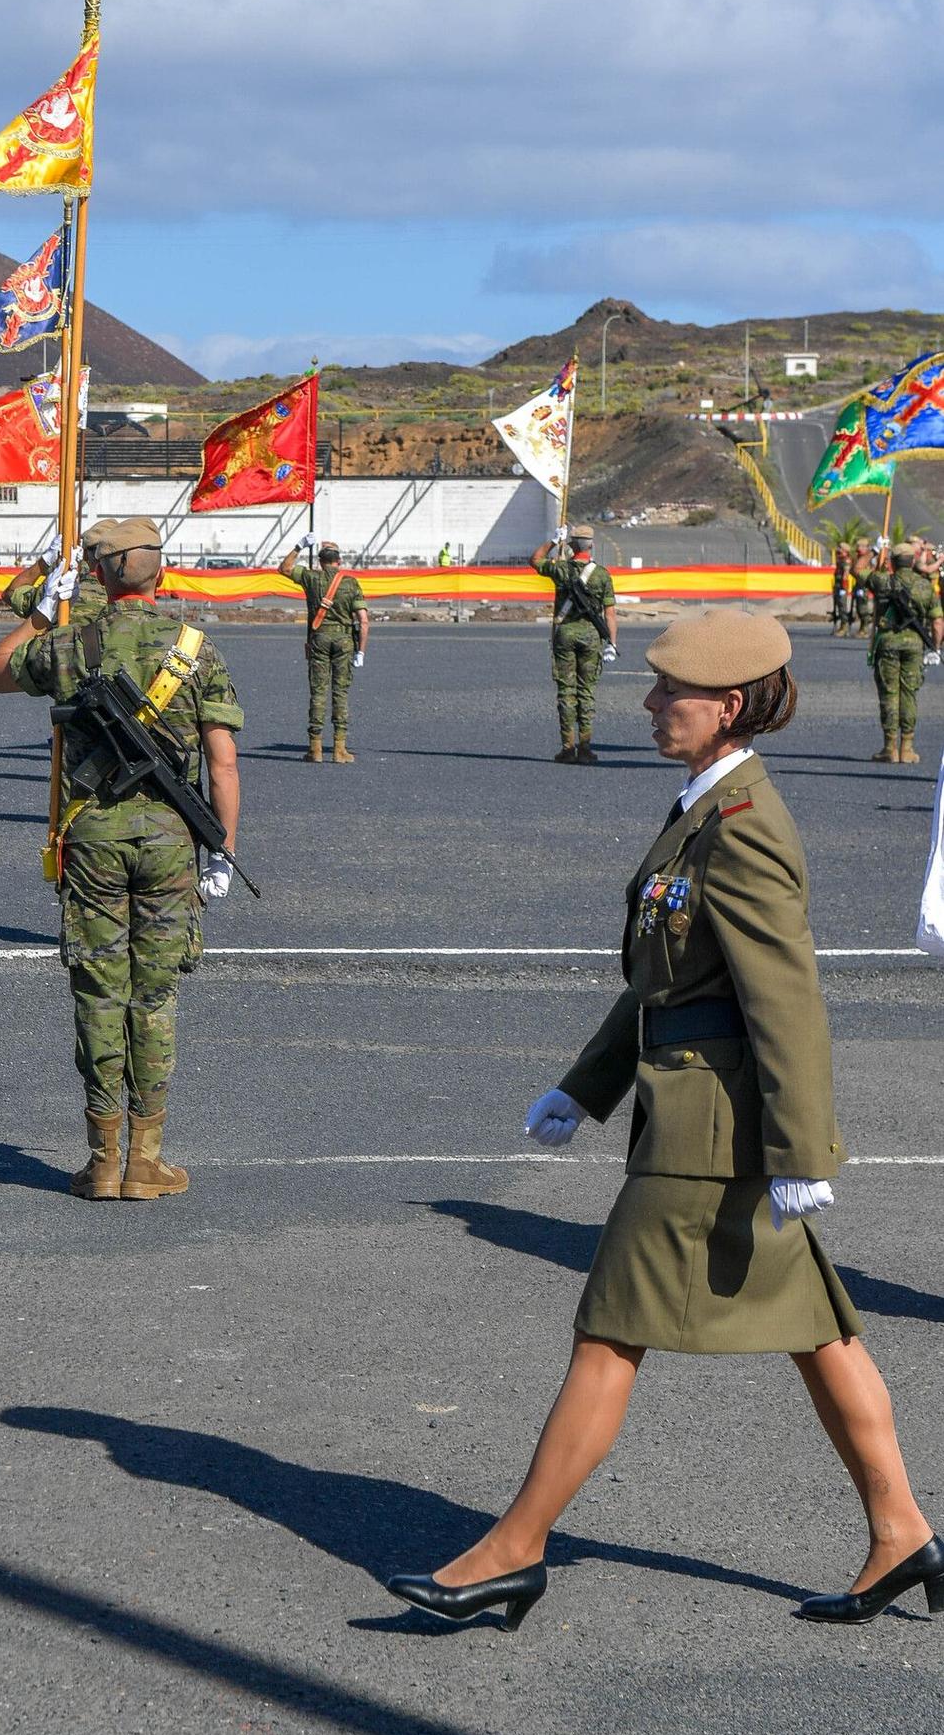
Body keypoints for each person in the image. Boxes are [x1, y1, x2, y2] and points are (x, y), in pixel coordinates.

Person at [387, 609, 941, 1631]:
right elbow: (663, 982)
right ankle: (900, 1529)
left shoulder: (745, 826)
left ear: (724, 705)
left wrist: (800, 1146)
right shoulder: (703, 811)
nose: (647, 705)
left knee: (606, 1332)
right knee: (821, 1333)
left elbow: (784, 995)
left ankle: (512, 1550)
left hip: (710, 1133)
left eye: (666, 694)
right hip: (689, 1110)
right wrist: (583, 1086)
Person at [0, 517, 244, 1202]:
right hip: (169, 843)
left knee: (100, 995)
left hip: (90, 838)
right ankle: (145, 1161)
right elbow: (222, 761)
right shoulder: (196, 649)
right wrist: (223, 848)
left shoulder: (70, 642)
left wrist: (43, 609)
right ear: (160, 571)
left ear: (96, 574)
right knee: (154, 996)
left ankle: (101, 1161)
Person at [530, 523, 618, 763]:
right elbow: (610, 613)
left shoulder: (561, 570)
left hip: (565, 635)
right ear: (592, 546)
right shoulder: (601, 574)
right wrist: (611, 643)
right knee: (586, 692)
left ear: (571, 544)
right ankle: (586, 748)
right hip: (591, 637)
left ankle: (568, 748)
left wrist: (552, 541)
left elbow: (535, 560)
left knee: (566, 692)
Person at [278, 537, 369, 764]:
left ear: (320, 562)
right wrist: (362, 652)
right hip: (344, 640)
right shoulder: (350, 583)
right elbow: (364, 621)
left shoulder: (311, 578)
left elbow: (284, 568)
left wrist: (299, 546)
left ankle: (315, 748)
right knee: (340, 693)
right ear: (339, 561)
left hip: (318, 638)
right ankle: (339, 748)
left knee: (318, 692)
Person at [854, 537, 943, 765]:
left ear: (892, 562)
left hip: (887, 644)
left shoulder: (883, 581)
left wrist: (874, 550)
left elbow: (857, 569)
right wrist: (936, 647)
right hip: (915, 645)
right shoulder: (925, 586)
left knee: (889, 695)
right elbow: (938, 621)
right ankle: (907, 748)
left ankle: (889, 748)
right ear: (912, 561)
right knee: (909, 693)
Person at [2, 517, 116, 631]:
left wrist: (45, 561)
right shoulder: (125, 594)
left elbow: (11, 594)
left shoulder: (61, 589)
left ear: (85, 554)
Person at [850, 539, 875, 636]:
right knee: (859, 608)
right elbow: (853, 571)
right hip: (859, 586)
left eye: (862, 546)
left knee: (864, 609)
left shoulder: (870, 559)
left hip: (866, 587)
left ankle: (865, 628)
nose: (859, 548)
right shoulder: (857, 558)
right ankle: (862, 627)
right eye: (858, 546)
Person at [830, 543, 852, 637]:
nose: (839, 551)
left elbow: (845, 576)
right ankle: (841, 627)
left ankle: (844, 627)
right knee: (838, 607)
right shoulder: (840, 560)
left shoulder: (846, 561)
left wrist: (843, 587)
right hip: (838, 586)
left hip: (842, 587)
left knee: (843, 608)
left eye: (841, 549)